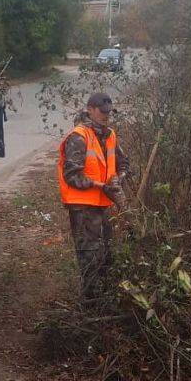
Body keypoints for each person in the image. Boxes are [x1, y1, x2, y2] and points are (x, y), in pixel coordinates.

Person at [57, 92, 129, 297]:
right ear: (90, 109)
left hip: (102, 204)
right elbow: (72, 175)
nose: (106, 116)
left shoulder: (109, 135)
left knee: (106, 253)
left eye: (109, 112)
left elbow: (124, 163)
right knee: (89, 256)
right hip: (82, 206)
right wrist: (102, 185)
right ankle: (91, 304)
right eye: (102, 112)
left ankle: (105, 298)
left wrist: (119, 179)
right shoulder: (78, 137)